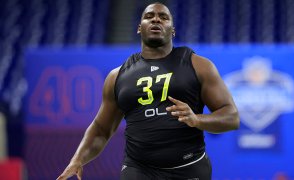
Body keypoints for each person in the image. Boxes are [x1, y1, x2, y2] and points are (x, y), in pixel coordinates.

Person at [57, 2, 239, 180]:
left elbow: (231, 117)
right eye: (149, 16)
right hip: (138, 170)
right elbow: (101, 129)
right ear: (139, 28)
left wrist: (196, 119)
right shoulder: (117, 76)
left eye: (163, 17)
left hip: (189, 168)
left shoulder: (198, 65)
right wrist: (77, 160)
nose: (156, 20)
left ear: (173, 30)